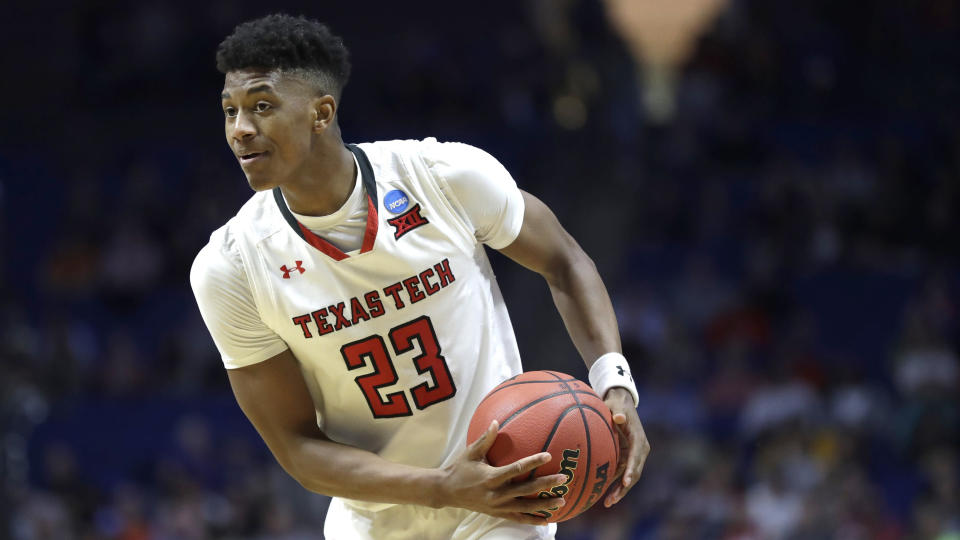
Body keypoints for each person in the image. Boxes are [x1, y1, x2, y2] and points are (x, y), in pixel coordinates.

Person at [190, 13, 649, 540]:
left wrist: (615, 384)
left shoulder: (440, 176)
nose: (240, 129)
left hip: (500, 494)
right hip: (372, 515)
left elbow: (564, 260)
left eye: (262, 107)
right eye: (231, 111)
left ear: (321, 113)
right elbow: (295, 446)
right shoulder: (231, 267)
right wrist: (438, 486)